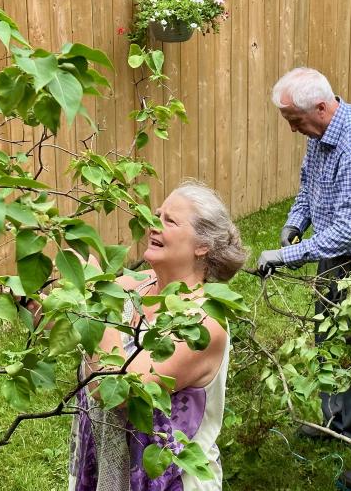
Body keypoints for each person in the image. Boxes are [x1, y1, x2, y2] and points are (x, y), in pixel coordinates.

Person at [256, 67, 351, 490]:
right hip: (337, 259)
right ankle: (338, 422)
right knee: (330, 341)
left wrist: (284, 255)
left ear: (321, 107)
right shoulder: (322, 134)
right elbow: (309, 186)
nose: (293, 130)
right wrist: (294, 222)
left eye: (296, 121)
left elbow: (347, 232)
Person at [68, 180, 247, 490]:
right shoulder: (136, 286)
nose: (153, 225)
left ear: (201, 246)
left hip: (168, 481)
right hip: (108, 468)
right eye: (156, 214)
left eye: (169, 221)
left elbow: (119, 392)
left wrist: (94, 295)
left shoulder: (203, 323)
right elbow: (68, 323)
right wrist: (26, 301)